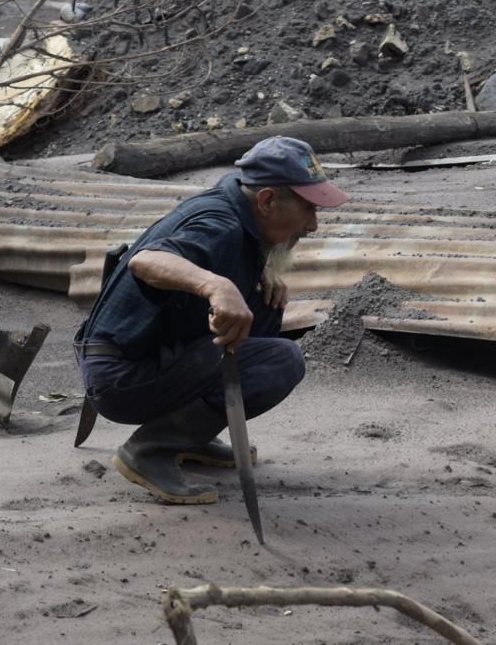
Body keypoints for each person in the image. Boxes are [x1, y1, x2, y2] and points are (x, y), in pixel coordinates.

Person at [74, 136, 349, 504]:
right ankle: (149, 452)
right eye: (308, 210)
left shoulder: (237, 206)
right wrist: (216, 285)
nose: (313, 225)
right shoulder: (219, 223)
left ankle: (193, 436)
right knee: (281, 361)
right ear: (267, 200)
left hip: (141, 360)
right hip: (121, 380)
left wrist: (258, 267)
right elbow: (146, 261)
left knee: (263, 307)